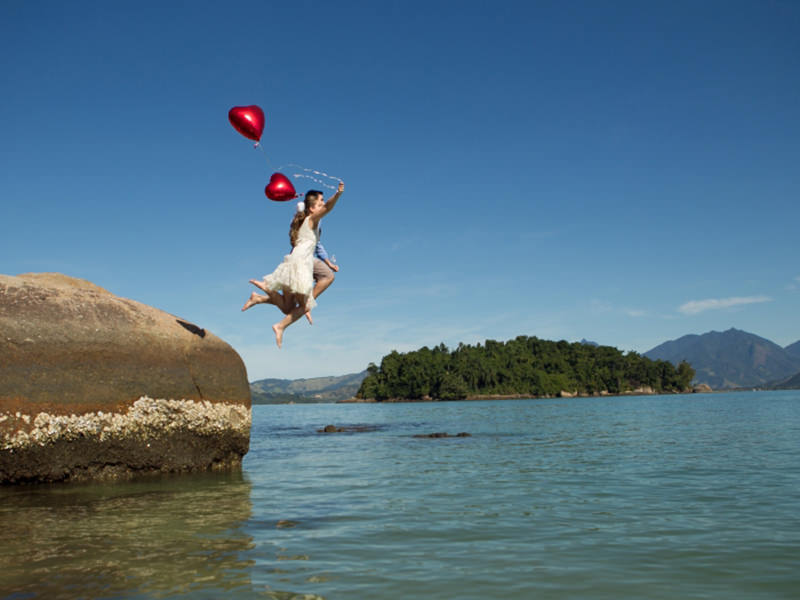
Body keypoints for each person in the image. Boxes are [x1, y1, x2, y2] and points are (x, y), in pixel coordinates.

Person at [242, 182, 344, 347]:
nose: (323, 204)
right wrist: (338, 194)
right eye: (320, 202)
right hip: (301, 263)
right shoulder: (312, 218)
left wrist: (328, 262)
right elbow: (329, 208)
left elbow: (316, 246)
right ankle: (280, 324)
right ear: (311, 208)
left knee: (288, 307)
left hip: (294, 262)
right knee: (311, 298)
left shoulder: (306, 222)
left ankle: (260, 298)